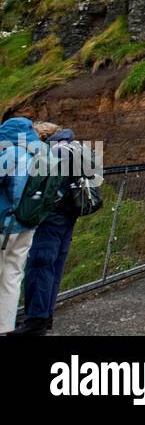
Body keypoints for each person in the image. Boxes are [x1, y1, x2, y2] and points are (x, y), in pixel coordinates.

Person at [9, 123, 82, 335]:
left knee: (40, 264)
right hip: (70, 213)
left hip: (51, 216)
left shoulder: (52, 152)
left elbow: (45, 186)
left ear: (42, 136)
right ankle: (45, 315)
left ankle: (35, 320)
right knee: (55, 264)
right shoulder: (73, 146)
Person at [0, 106, 51, 333]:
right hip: (29, 224)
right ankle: (5, 327)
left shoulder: (10, 154)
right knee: (13, 276)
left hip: (5, 224)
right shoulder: (44, 154)